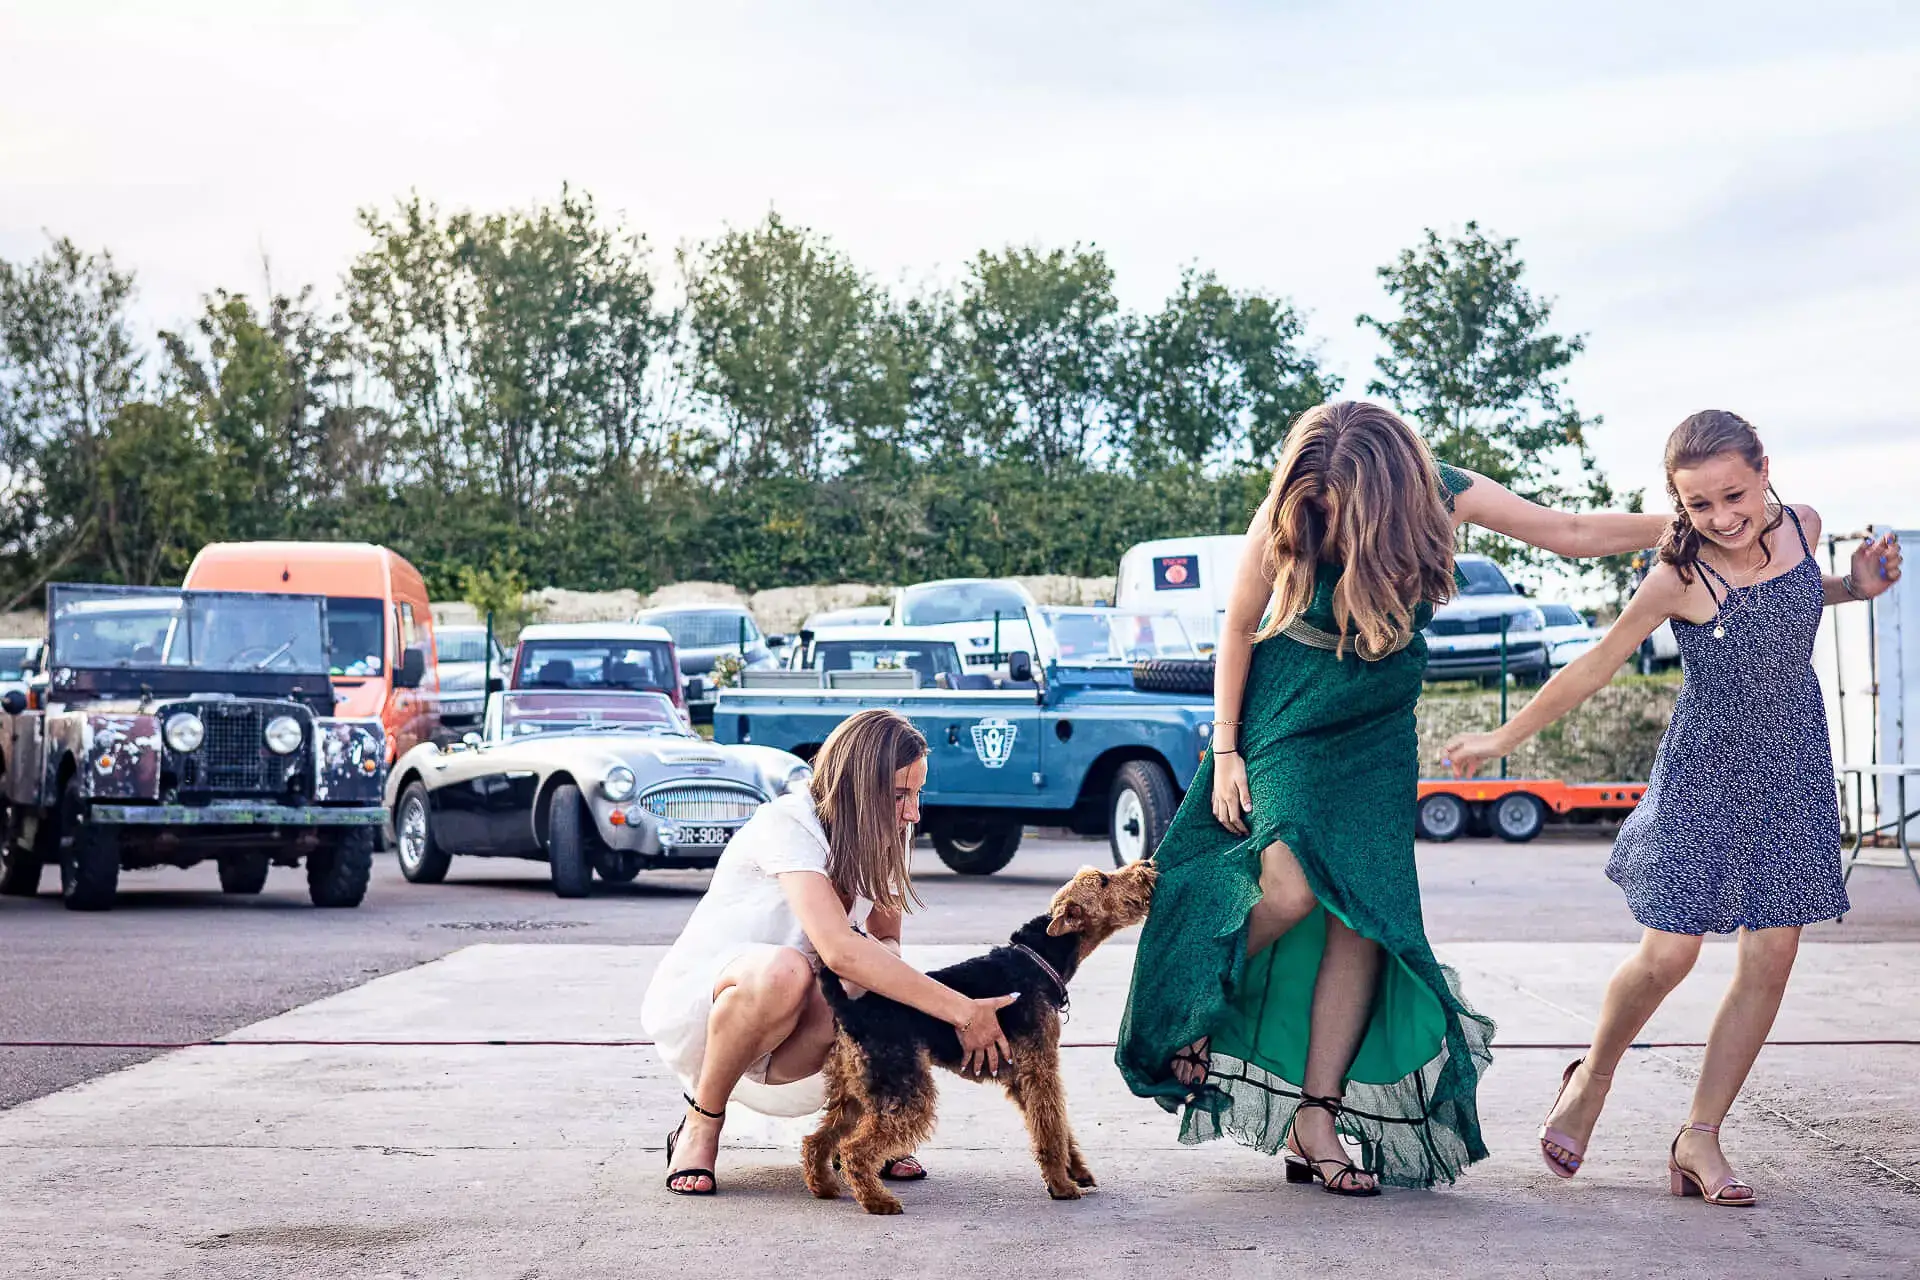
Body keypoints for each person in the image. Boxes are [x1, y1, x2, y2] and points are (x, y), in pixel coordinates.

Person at [1115, 400, 1670, 1194]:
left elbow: (1570, 533)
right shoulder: (1288, 505)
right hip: (1289, 709)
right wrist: (1229, 749)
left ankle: (1317, 1117)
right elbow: (1238, 627)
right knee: (1293, 885)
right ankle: (1197, 1000)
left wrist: (1680, 524)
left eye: (1344, 514)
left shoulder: (1443, 492)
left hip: (1376, 725)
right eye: (1319, 511)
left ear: (1391, 495)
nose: (1328, 529)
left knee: (1364, 916)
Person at [1445, 409, 1901, 1207]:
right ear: (1678, 504)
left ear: (1765, 469)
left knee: (1772, 955)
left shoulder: (1805, 526)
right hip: (1704, 775)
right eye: (1699, 505)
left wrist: (1854, 588)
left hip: (1791, 769)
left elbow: (1794, 596)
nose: (1723, 518)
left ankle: (1700, 1136)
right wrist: (1500, 738)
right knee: (1670, 954)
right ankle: (1592, 1077)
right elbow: (1593, 666)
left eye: (1735, 495)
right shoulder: (1677, 577)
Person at [641, 707, 1018, 1196]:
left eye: (918, 794)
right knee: (791, 968)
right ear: (858, 786)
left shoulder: (887, 833)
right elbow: (838, 949)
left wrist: (891, 1065)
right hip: (711, 1022)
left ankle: (859, 1127)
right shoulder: (789, 821)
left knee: (868, 973)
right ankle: (700, 1123)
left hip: (796, 1049)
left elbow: (885, 945)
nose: (914, 813)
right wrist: (963, 1012)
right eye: (901, 795)